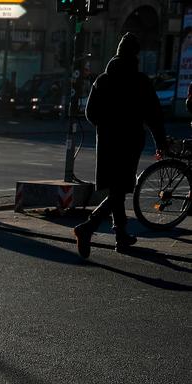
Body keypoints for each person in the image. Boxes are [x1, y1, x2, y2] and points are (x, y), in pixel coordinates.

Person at [74, 33, 167, 259]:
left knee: (116, 189)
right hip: (130, 142)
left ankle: (121, 235)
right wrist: (161, 142)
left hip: (107, 143)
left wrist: (107, 126)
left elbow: (90, 113)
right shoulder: (140, 81)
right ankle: (88, 227)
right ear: (135, 55)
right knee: (120, 189)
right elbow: (154, 115)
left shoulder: (103, 80)